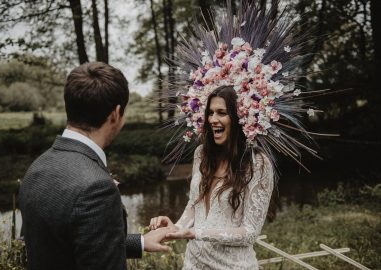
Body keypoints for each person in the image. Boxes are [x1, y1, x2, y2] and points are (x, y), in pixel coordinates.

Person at [19, 62, 172, 270]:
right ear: (116, 114)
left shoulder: (38, 167)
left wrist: (141, 242)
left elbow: (63, 244)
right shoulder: (96, 188)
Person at [150, 86, 274, 269]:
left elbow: (249, 233)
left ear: (239, 117)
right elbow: (194, 205)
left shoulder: (257, 164)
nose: (213, 119)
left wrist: (195, 233)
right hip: (193, 263)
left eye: (221, 113)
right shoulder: (202, 154)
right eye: (210, 113)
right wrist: (175, 228)